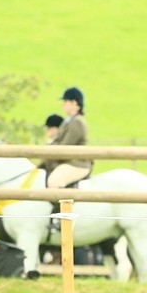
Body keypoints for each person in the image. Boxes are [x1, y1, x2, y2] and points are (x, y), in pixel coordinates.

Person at [42, 88, 92, 233]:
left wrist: (50, 147)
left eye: (66, 101)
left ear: (75, 103)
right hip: (68, 160)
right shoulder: (69, 121)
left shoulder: (77, 123)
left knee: (54, 181)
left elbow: (64, 147)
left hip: (77, 162)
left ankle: (62, 217)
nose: (64, 105)